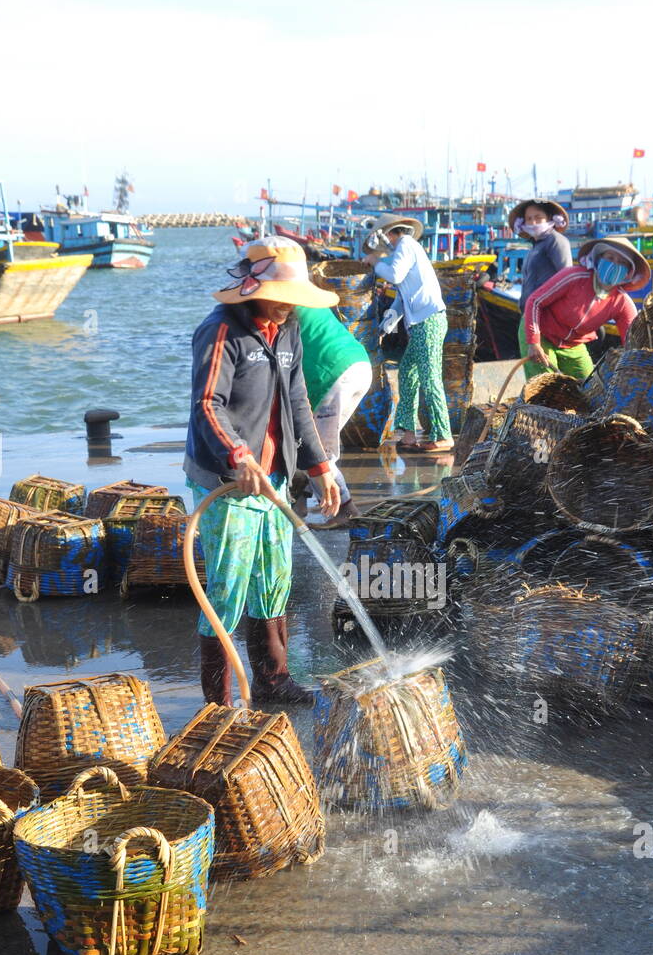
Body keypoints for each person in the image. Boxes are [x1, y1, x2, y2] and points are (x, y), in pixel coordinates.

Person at [184, 237, 341, 708]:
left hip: (274, 480)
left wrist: (320, 468)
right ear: (252, 287)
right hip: (226, 482)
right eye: (279, 295)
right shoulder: (221, 332)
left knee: (274, 579)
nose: (285, 305)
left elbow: (298, 403)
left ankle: (274, 681)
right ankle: (219, 703)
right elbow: (207, 404)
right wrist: (238, 454)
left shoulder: (288, 331)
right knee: (228, 588)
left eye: (292, 298)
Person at [363, 213, 453, 453]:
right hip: (421, 324)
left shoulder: (406, 244)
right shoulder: (407, 251)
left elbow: (394, 276)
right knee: (407, 373)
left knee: (430, 377)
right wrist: (385, 326)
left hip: (430, 321)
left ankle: (443, 435)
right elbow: (401, 301)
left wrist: (374, 262)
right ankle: (408, 433)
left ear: (389, 233)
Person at [523, 235, 651, 381]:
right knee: (545, 383)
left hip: (573, 344)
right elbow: (534, 302)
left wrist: (638, 368)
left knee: (590, 385)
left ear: (628, 272)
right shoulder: (573, 276)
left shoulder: (622, 302)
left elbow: (632, 340)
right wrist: (533, 342)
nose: (614, 264)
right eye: (610, 258)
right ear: (598, 259)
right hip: (541, 332)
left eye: (622, 262)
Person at [294, 304, 373, 526]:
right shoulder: (305, 295)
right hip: (357, 363)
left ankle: (345, 510)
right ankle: (298, 501)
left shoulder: (276, 305)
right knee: (307, 442)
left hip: (330, 375)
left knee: (315, 449)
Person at [508, 198, 572, 377]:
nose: (533, 222)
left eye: (538, 217)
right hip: (530, 317)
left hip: (549, 318)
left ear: (550, 218)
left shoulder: (556, 241)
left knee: (551, 376)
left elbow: (568, 279)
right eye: (529, 219)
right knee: (541, 377)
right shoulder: (535, 246)